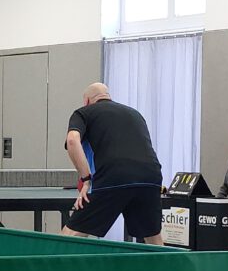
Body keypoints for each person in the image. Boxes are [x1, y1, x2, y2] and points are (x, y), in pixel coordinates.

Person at [61, 83, 164, 245]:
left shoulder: (83, 112)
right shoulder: (135, 114)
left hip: (113, 177)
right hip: (150, 178)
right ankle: (165, 263)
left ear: (87, 101)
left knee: (69, 235)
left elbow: (72, 140)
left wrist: (86, 180)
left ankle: (54, 261)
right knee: (153, 238)